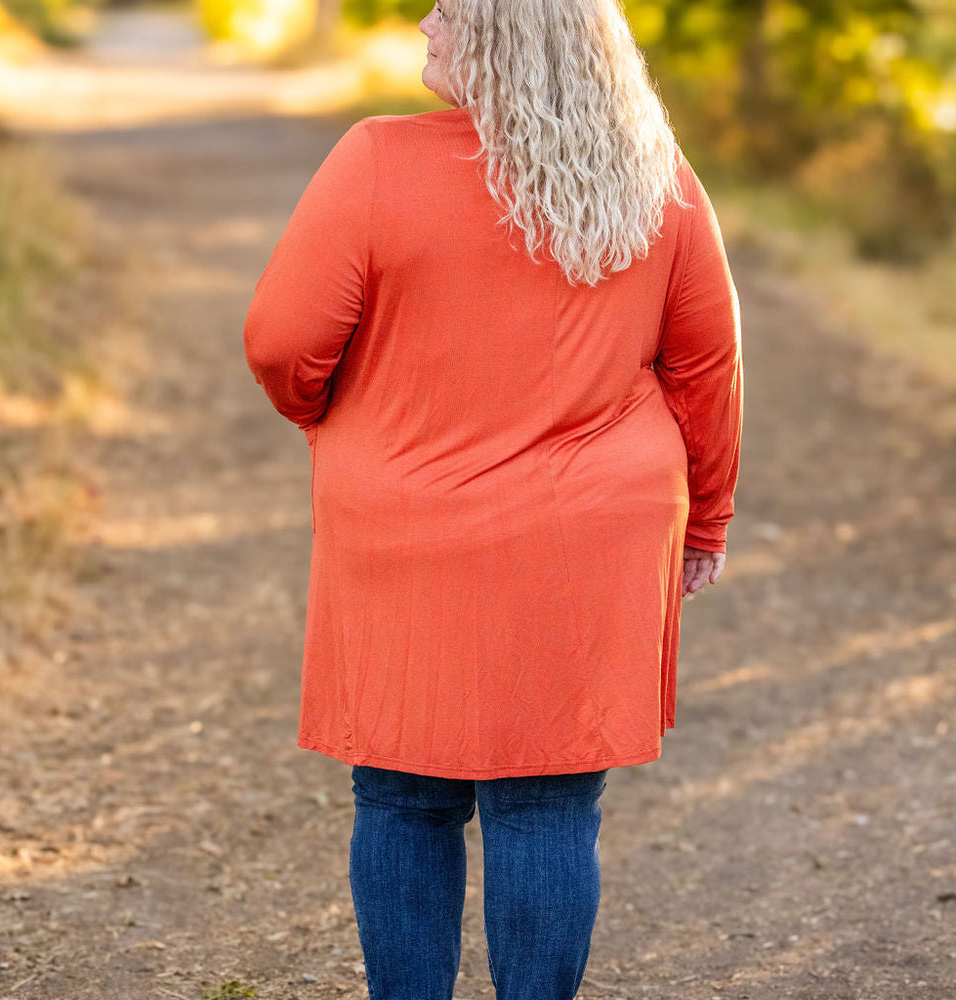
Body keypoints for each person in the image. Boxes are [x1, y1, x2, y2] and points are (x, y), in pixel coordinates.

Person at [242, 0, 743, 996]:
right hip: (589, 539)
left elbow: (281, 343)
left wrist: (340, 421)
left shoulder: (375, 161)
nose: (425, 20)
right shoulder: (654, 174)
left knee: (401, 800)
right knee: (547, 809)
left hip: (403, 529)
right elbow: (706, 370)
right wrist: (709, 515)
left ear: (504, 35)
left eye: (448, 9)